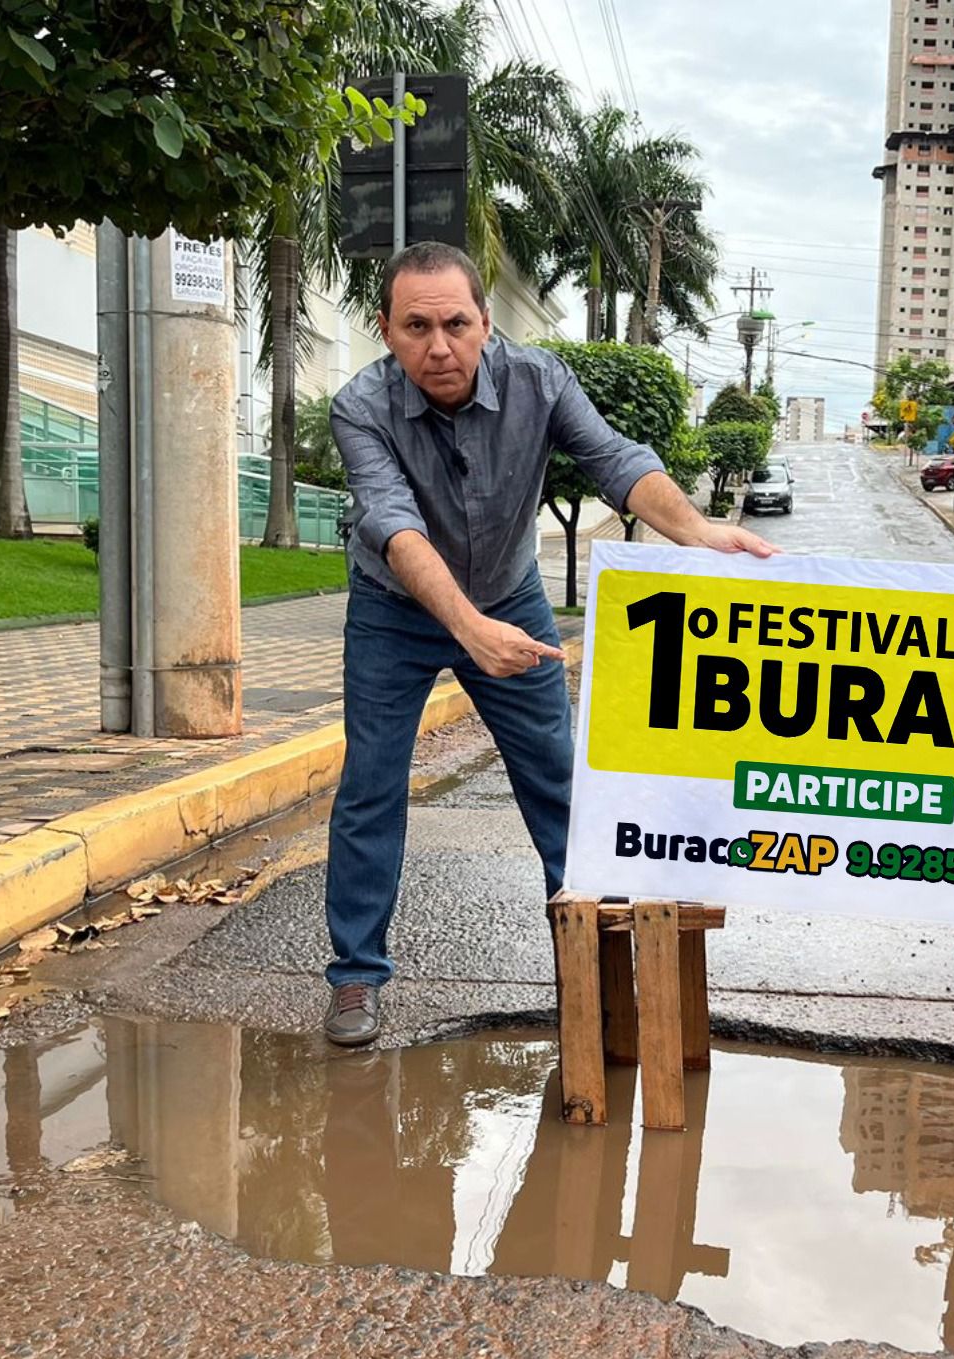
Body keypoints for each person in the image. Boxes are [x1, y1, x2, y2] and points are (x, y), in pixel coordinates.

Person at [323, 241, 776, 1046]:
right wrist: (467, 631)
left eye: (457, 323)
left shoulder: (540, 380)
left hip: (511, 594)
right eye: (417, 326)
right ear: (386, 331)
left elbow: (616, 461)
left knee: (562, 786)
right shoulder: (361, 407)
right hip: (394, 611)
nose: (439, 346)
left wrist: (695, 530)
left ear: (486, 324)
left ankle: (593, 968)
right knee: (370, 787)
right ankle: (357, 977)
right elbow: (390, 522)